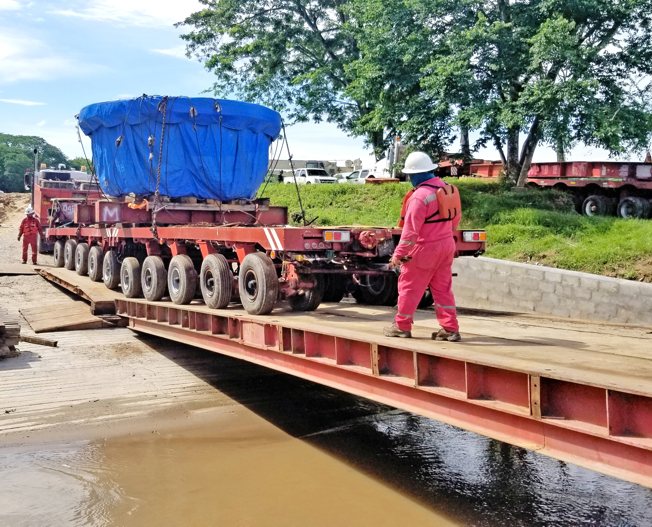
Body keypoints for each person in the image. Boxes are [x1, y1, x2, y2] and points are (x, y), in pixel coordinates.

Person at [383, 151, 462, 342]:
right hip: (446, 246)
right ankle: (450, 329)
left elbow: (410, 233)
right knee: (443, 289)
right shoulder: (448, 189)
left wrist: (397, 255)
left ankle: (401, 326)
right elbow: (455, 219)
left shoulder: (419, 197)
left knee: (409, 287)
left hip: (425, 249)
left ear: (415, 175)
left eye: (410, 175)